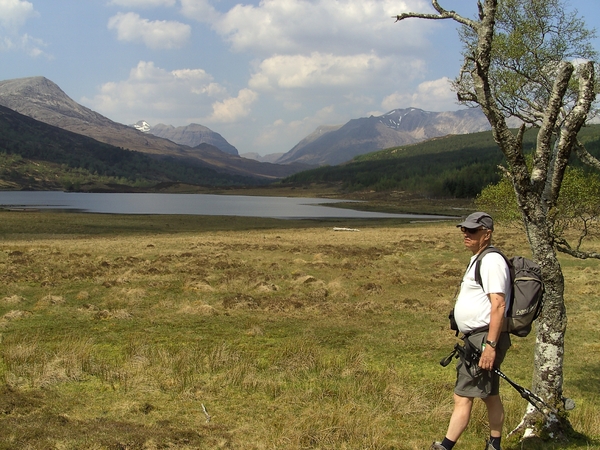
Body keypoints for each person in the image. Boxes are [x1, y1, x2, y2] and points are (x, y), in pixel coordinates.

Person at [431, 212, 511, 450]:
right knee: (489, 394)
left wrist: (490, 346)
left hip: (484, 339)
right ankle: (494, 445)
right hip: (478, 339)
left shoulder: (491, 261)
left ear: (487, 234)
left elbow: (498, 305)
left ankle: (445, 446)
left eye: (472, 231)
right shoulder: (479, 258)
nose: (466, 234)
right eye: (464, 229)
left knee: (463, 395)